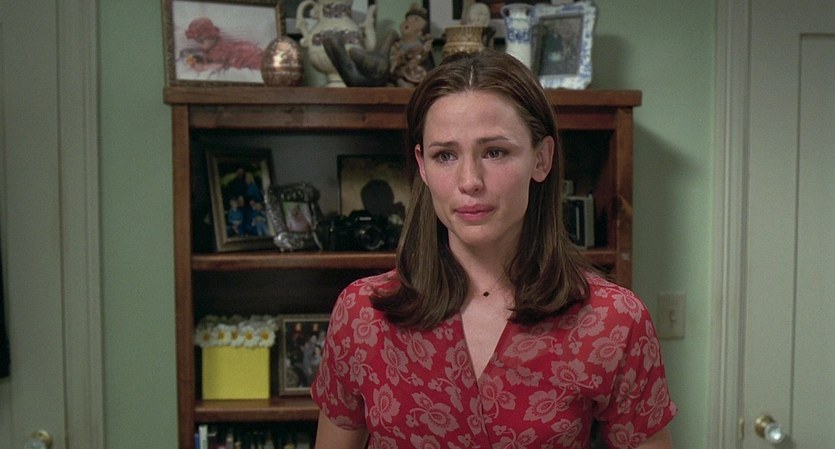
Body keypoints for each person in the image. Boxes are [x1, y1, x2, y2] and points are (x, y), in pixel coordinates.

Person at [311, 49, 676, 449]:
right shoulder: (363, 314)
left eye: (495, 152)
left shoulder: (612, 320)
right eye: (445, 155)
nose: (470, 180)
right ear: (422, 166)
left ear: (541, 159)